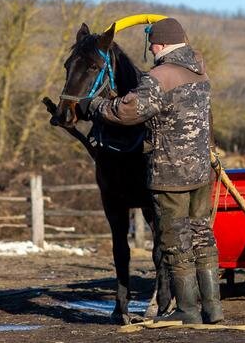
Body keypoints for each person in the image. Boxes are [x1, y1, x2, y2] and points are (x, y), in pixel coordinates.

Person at [78, 18, 223, 324]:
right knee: (201, 236)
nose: (152, 50)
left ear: (158, 44)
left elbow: (127, 112)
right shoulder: (200, 73)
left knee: (174, 241)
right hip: (200, 173)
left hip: (170, 174)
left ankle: (187, 310)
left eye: (153, 45)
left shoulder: (159, 77)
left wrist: (93, 106)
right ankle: (213, 307)